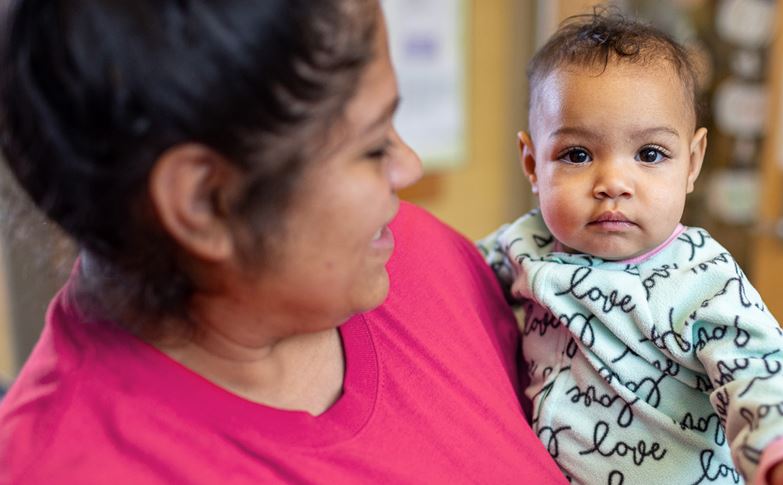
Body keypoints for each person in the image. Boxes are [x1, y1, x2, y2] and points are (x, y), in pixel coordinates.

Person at [0, 0, 568, 483]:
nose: (409, 167)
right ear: (204, 200)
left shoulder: (417, 256)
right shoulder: (68, 465)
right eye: (372, 147)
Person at [478, 9, 783, 485]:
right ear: (533, 163)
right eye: (577, 155)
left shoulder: (701, 281)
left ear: (692, 162)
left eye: (649, 154)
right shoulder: (527, 242)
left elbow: (763, 374)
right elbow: (453, 276)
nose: (614, 183)